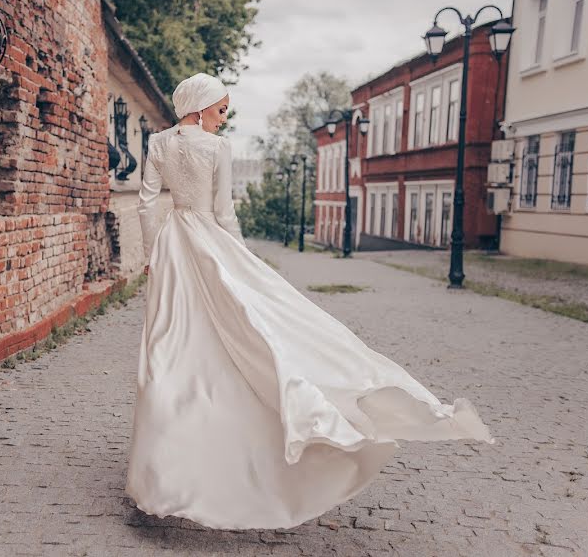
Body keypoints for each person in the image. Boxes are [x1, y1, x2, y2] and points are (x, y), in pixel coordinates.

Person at [125, 72, 493, 531]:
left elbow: (145, 204)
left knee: (169, 347)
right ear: (200, 108)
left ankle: (162, 473)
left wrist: (151, 253)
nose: (224, 118)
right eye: (221, 109)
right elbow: (224, 213)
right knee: (243, 329)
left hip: (174, 248)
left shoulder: (158, 143)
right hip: (211, 244)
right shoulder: (217, 149)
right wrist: (241, 260)